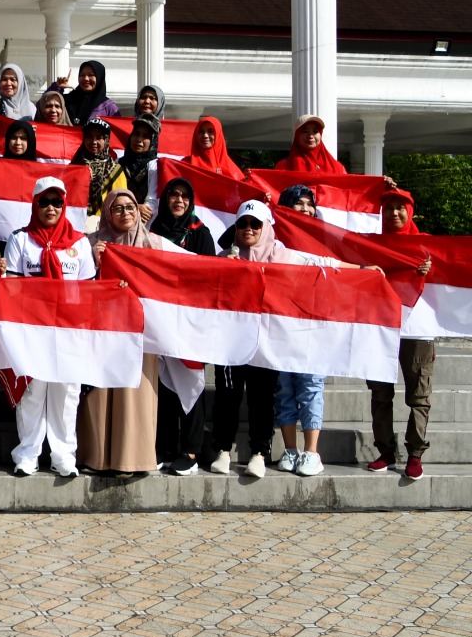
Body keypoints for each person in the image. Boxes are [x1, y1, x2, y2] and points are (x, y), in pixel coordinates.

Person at [211, 200, 359, 479]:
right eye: (242, 223)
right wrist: (223, 268)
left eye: (255, 224)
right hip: (231, 341)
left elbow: (321, 265)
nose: (248, 229)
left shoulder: (282, 256)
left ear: (266, 227)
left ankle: (259, 452)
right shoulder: (224, 256)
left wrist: (362, 269)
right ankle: (222, 450)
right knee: (227, 395)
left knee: (262, 396)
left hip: (267, 341)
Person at [81, 188, 185, 475]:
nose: (125, 213)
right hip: (100, 331)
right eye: (117, 208)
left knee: (133, 395)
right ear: (108, 213)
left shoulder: (153, 243)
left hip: (140, 332)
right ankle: (97, 458)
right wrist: (94, 262)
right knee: (100, 394)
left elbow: (189, 264)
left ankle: (132, 459)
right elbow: (75, 282)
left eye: (130, 208)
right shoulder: (90, 244)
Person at [4, 176, 94, 478]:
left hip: (69, 331)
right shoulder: (19, 239)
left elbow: (89, 291)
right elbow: (12, 287)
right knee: (32, 393)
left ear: (65, 204)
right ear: (35, 204)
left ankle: (63, 455)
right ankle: (27, 454)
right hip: (32, 330)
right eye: (44, 201)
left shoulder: (80, 243)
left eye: (57, 201)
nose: (51, 207)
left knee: (66, 393)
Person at [148, 177, 218, 476]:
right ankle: (166, 448)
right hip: (162, 319)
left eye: (185, 196)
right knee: (165, 385)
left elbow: (209, 276)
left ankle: (190, 450)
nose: (179, 200)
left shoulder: (201, 234)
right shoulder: (155, 231)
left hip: (190, 322)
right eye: (174, 195)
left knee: (189, 385)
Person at [369, 188, 437, 481]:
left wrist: (431, 269)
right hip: (381, 326)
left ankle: (415, 454)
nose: (394, 213)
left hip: (417, 331)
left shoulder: (429, 247)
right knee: (380, 394)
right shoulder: (371, 246)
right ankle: (385, 452)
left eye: (400, 207)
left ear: (410, 211)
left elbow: (452, 274)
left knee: (419, 395)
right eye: (388, 208)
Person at [71, 118, 126, 226]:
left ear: (106, 140)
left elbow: (120, 202)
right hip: (75, 223)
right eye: (89, 137)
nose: (94, 142)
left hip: (104, 227)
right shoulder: (73, 167)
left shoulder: (115, 170)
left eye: (99, 137)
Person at [276, 114, 347, 173]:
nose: (310, 136)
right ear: (297, 135)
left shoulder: (338, 168)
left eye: (315, 131)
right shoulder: (284, 167)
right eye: (305, 131)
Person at [120, 114, 161, 216]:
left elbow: (151, 203)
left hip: (144, 224)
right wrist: (135, 208)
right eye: (136, 134)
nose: (139, 139)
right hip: (119, 217)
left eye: (146, 136)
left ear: (153, 141)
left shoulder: (155, 167)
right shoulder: (118, 163)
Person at [183, 116, 246, 181]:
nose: (205, 136)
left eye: (210, 131)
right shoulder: (186, 164)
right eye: (201, 132)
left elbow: (240, 189)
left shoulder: (232, 169)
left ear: (218, 135)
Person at [57, 60, 119, 125]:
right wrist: (58, 87)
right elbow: (47, 106)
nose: (86, 78)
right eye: (82, 75)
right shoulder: (67, 100)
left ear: (99, 78)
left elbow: (117, 131)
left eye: (91, 75)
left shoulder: (108, 107)